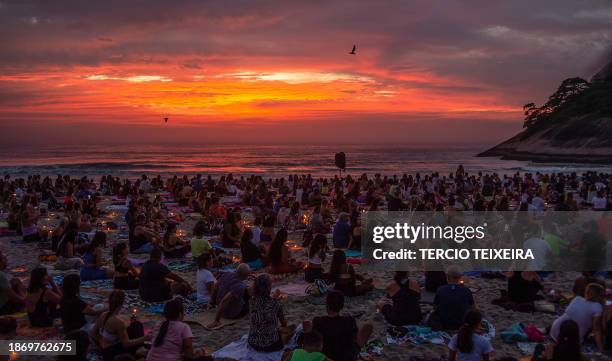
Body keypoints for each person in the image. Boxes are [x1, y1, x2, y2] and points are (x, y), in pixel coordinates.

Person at [305, 290, 373, 361]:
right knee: (368, 326)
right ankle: (358, 353)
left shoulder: (318, 321)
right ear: (342, 306)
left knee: (307, 324)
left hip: (325, 356)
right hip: (347, 357)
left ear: (327, 305)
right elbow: (355, 338)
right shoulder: (349, 321)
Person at [147, 298, 212, 361]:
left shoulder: (159, 324)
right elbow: (188, 350)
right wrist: (198, 354)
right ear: (180, 314)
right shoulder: (184, 327)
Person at [92, 290, 150, 361]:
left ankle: (140, 347)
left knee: (135, 324)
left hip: (104, 348)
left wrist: (101, 343)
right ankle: (139, 349)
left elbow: (93, 333)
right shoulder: (118, 322)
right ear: (123, 303)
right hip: (111, 353)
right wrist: (145, 338)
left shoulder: (103, 315)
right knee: (137, 325)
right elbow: (126, 344)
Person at [550, 283, 604, 352]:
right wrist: (601, 348)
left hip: (555, 330)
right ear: (599, 296)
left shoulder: (577, 298)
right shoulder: (598, 307)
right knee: (593, 324)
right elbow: (596, 329)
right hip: (569, 339)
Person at [248, 274, 287, 352]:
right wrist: (275, 299)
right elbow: (284, 324)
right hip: (270, 345)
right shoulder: (275, 304)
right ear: (268, 287)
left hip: (253, 342)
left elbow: (264, 308)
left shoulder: (252, 301)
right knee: (289, 331)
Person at [430, 266, 474, 330]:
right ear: (459, 277)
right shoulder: (466, 290)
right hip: (462, 323)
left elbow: (435, 307)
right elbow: (473, 307)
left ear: (448, 277)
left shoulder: (440, 289)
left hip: (444, 323)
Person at [208, 263, 251, 328]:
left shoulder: (226, 274)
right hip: (229, 314)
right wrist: (216, 320)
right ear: (246, 276)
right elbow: (224, 301)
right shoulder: (240, 286)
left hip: (218, 305)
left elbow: (215, 287)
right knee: (247, 296)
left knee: (244, 290)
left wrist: (212, 302)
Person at [0, 250, 25, 315]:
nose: (6, 259)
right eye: (4, 258)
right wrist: (25, 301)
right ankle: (24, 303)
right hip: (2, 308)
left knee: (16, 281)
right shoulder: (1, 275)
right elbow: (12, 296)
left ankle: (24, 299)